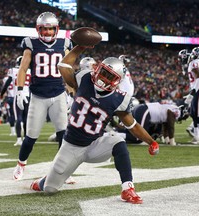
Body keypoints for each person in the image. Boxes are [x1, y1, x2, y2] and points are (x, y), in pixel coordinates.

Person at [30, 44, 159, 204]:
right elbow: (63, 66)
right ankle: (44, 180)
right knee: (50, 189)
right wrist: (80, 47)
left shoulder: (119, 99)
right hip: (70, 146)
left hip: (94, 145)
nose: (103, 78)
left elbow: (132, 125)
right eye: (103, 72)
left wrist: (151, 141)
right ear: (98, 69)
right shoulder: (84, 78)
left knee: (118, 142)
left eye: (109, 76)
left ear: (117, 81)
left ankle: (128, 188)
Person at [13, 12, 72, 180]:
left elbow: (67, 70)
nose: (47, 32)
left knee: (63, 134)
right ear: (38, 29)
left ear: (56, 29)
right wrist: (20, 89)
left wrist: (71, 92)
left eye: (50, 29)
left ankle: (62, 170)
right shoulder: (31, 43)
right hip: (38, 95)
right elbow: (23, 69)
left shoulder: (64, 44)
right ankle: (21, 164)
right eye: (44, 29)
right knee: (31, 135)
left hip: (58, 94)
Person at [113, 102, 188, 146]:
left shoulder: (172, 108)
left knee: (134, 131)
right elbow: (170, 126)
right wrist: (172, 141)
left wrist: (167, 140)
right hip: (145, 111)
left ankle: (117, 132)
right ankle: (115, 134)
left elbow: (166, 127)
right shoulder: (175, 111)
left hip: (143, 110)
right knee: (138, 137)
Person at [1, 56, 31, 146]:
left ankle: (19, 139)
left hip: (18, 95)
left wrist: (2, 93)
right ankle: (26, 137)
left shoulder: (13, 70)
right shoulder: (29, 71)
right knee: (26, 118)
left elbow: (7, 82)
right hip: (27, 96)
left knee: (19, 117)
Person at [184, 47, 199, 144]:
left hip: (198, 89)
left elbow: (198, 78)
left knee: (197, 114)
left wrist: (192, 93)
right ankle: (197, 136)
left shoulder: (194, 63)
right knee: (193, 113)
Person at [178, 49, 194, 138]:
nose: (181, 60)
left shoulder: (193, 64)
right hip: (196, 88)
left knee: (197, 110)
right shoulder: (188, 65)